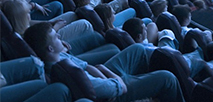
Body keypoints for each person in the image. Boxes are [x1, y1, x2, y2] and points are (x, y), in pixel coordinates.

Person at [23, 21, 184, 102]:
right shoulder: (71, 73)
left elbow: (87, 66)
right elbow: (119, 87)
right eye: (55, 37)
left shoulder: (58, 58)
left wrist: (102, 70)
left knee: (139, 49)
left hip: (104, 76)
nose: (59, 37)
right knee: (167, 78)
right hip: (113, 90)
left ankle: (147, 83)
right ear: (50, 49)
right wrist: (107, 73)